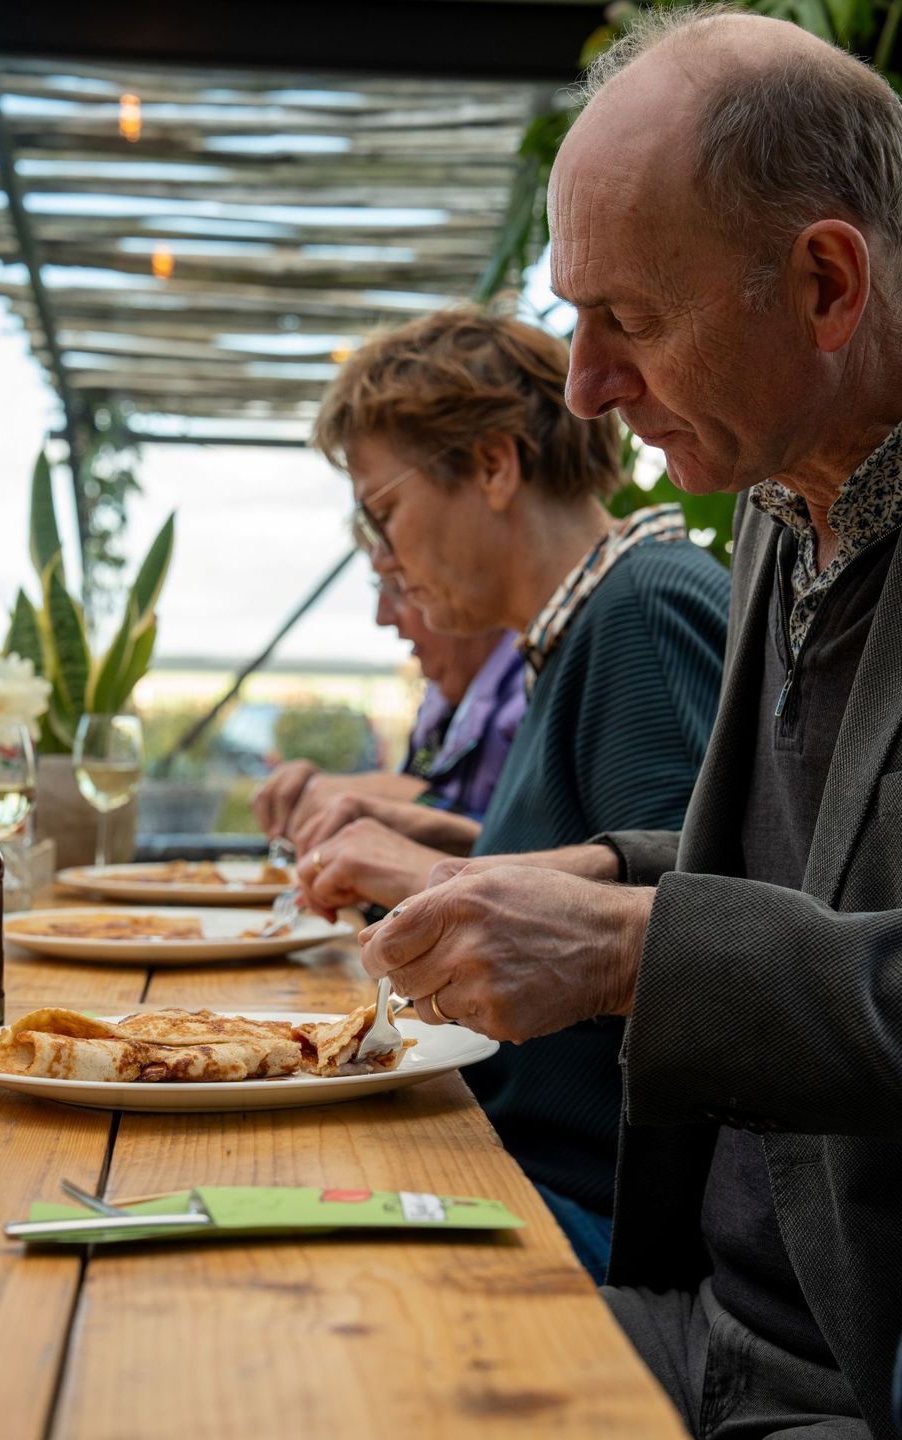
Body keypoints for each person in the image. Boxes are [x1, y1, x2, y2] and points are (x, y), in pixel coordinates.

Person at [359, 11, 902, 1435]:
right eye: (574, 317)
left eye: (633, 321)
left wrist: (628, 948)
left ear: (826, 284)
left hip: (843, 1379)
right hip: (704, 1313)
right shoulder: (782, 505)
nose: (586, 387)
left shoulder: (674, 572)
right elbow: (807, 883)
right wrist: (597, 873)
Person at [296, 304, 729, 1279]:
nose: (386, 558)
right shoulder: (587, 628)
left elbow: (705, 929)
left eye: (382, 513)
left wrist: (431, 871)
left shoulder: (641, 612)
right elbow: (616, 865)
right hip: (525, 1166)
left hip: (588, 1209)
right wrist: (446, 843)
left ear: (494, 465)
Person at [251, 577, 524, 844]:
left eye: (399, 587)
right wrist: (326, 791)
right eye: (380, 587)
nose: (382, 617)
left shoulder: (532, 694)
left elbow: (533, 850)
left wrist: (406, 797)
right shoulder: (443, 700)